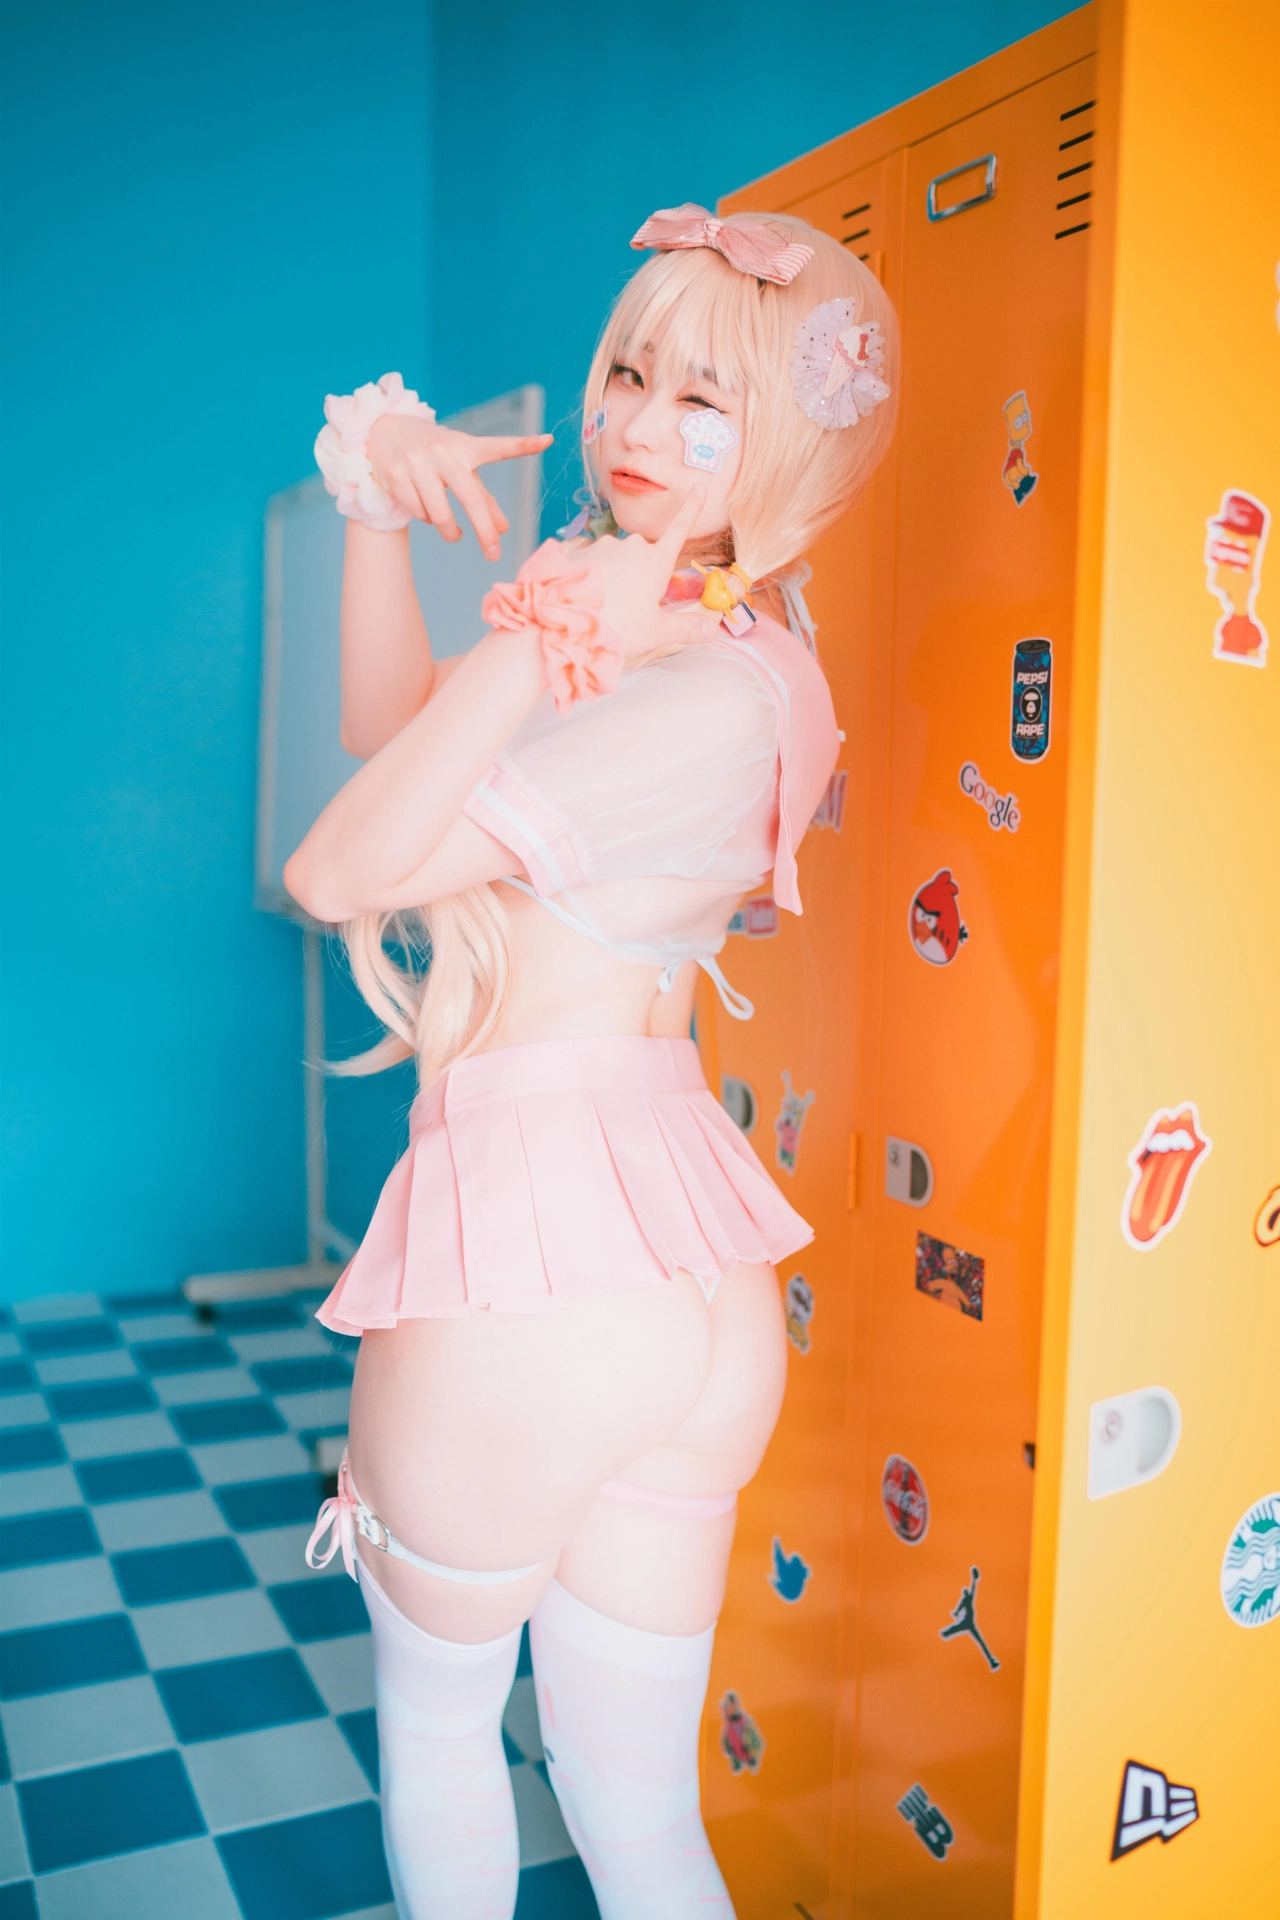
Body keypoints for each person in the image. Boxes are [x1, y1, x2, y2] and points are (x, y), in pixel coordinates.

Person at [286, 203, 898, 1920]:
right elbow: (395, 739)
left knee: (443, 1739)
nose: (633, 424)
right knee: (640, 1815)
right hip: (690, 1271)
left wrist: (547, 617)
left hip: (531, 1268)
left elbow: (338, 870)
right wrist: (374, 518)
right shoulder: (737, 651)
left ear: (795, 439)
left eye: (704, 400)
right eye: (628, 373)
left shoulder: (693, 687)